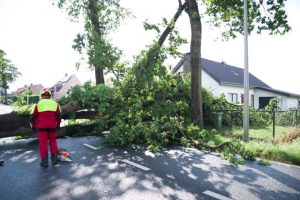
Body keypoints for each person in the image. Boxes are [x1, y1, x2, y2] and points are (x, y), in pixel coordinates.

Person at [30, 88, 61, 167]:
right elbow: (58, 117)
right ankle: (54, 160)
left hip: (41, 127)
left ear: (42, 95)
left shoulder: (38, 104)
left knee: (43, 144)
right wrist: (58, 126)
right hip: (52, 127)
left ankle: (44, 162)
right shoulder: (55, 104)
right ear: (50, 96)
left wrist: (33, 127)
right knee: (53, 142)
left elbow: (32, 118)